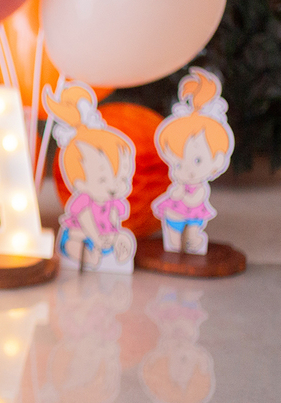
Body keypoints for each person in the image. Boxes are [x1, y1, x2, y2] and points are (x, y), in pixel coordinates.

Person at [43, 82, 135, 271]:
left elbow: (114, 217)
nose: (113, 187)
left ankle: (118, 254)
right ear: (79, 182)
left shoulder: (112, 201)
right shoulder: (83, 202)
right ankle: (83, 256)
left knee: (122, 237)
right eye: (103, 179)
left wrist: (113, 234)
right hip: (85, 233)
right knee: (74, 240)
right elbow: (85, 220)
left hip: (104, 234)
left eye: (121, 178)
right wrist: (95, 237)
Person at [151, 68, 233, 254]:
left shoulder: (201, 187)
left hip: (194, 214)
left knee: (193, 232)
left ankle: (192, 240)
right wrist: (178, 191)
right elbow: (177, 193)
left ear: (218, 160)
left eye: (197, 160)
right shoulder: (180, 182)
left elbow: (197, 196)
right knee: (173, 235)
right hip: (175, 213)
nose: (187, 169)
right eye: (178, 164)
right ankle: (174, 243)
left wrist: (185, 194)